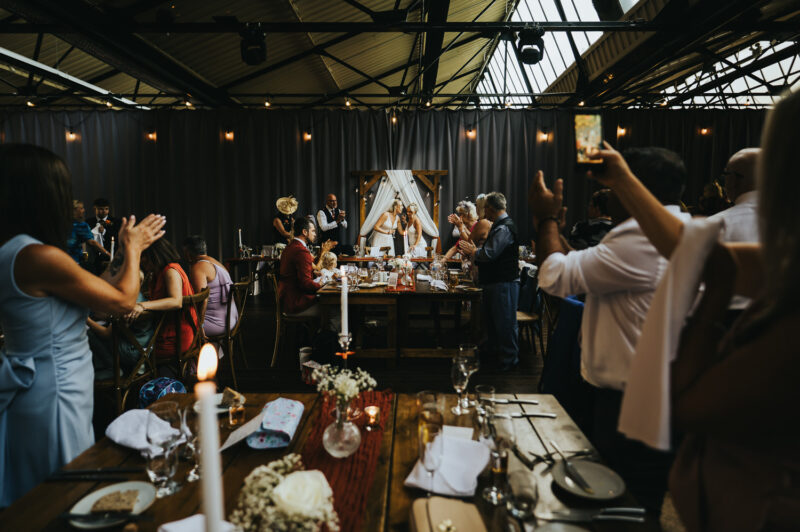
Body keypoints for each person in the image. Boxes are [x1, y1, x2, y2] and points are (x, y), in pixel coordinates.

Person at [586, 92, 800, 530]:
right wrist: (624, 179)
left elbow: (686, 405)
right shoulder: (786, 260)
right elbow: (687, 250)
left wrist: (713, 298)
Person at [529, 147, 692, 516]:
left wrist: (546, 219)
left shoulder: (640, 238)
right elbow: (583, 270)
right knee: (622, 499)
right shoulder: (672, 230)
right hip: (648, 398)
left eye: (612, 186)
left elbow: (555, 277)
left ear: (631, 186)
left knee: (623, 506)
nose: (606, 196)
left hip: (631, 405)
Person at [0, 143, 165, 507]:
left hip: (47, 382)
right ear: (43, 195)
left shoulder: (18, 250)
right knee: (61, 496)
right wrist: (136, 249)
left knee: (47, 494)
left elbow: (101, 287)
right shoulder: (37, 255)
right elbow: (122, 302)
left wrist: (122, 251)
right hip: (53, 388)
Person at [458, 192, 520, 371]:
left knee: (506, 323)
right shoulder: (500, 225)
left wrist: (473, 251)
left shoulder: (503, 228)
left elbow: (489, 254)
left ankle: (509, 361)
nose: (484, 212)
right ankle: (496, 356)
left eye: (485, 208)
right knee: (494, 322)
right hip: (496, 281)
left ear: (491, 209)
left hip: (504, 282)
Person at [125, 237, 197, 366]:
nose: (141, 261)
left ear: (154, 255)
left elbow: (176, 301)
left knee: (128, 351)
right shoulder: (160, 271)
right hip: (171, 333)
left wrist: (142, 305)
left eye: (144, 257)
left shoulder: (170, 270)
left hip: (175, 339)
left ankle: (137, 381)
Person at [183, 235, 237, 338]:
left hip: (217, 324)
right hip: (231, 318)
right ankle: (216, 352)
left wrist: (200, 326)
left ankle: (193, 353)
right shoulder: (217, 263)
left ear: (188, 253)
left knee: (179, 326)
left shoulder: (198, 267)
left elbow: (201, 300)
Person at [279, 217, 323, 316]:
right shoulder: (301, 251)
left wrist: (313, 273)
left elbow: (294, 274)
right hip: (295, 303)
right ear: (304, 232)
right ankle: (326, 331)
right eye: (313, 231)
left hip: (287, 299)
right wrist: (322, 284)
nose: (315, 234)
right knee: (333, 306)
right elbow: (306, 284)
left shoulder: (290, 247)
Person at [68, 200, 109, 266]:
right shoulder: (82, 224)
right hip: (74, 261)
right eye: (81, 208)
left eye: (106, 209)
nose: (84, 210)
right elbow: (92, 242)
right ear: (74, 210)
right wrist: (109, 255)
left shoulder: (63, 223)